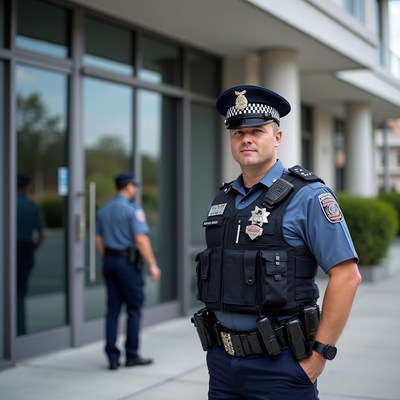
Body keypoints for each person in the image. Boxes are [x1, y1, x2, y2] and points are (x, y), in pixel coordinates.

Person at [192, 85, 362, 399]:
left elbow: (347, 275)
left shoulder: (308, 196)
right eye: (238, 133)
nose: (246, 139)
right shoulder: (222, 200)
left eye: (257, 131)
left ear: (277, 138)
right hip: (221, 363)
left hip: (281, 366)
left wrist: (319, 356)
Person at [95, 172, 161, 370]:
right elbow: (141, 239)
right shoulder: (132, 210)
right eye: (134, 186)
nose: (135, 189)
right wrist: (152, 264)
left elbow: (98, 239)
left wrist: (108, 257)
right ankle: (131, 355)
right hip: (128, 264)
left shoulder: (104, 209)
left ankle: (112, 357)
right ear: (128, 186)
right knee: (133, 310)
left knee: (113, 310)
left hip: (110, 261)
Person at [16, 173, 46, 336]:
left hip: (10, 252)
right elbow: (42, 233)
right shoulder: (31, 206)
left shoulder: (6, 204)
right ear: (27, 187)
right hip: (25, 251)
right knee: (20, 293)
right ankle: (19, 330)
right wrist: (34, 248)